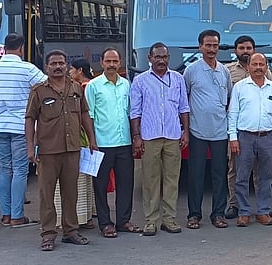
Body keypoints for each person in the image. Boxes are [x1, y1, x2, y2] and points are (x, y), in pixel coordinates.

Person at [25, 50, 98, 251]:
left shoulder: (76, 88)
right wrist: (30, 147)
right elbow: (30, 118)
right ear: (46, 68)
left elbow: (84, 114)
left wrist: (92, 139)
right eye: (53, 64)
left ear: (67, 66)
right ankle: (48, 234)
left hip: (72, 149)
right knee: (47, 195)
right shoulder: (39, 91)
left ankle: (71, 231)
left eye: (61, 63)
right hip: (48, 151)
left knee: (70, 192)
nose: (58, 67)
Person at [0, 33, 46, 228]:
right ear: (21, 49)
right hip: (20, 126)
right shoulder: (27, 68)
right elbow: (46, 86)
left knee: (4, 169)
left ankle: (6, 215)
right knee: (20, 170)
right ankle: (18, 215)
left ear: (4, 48)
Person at [131, 42, 191, 236]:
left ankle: (169, 219)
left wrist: (186, 132)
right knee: (150, 180)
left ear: (168, 59)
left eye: (164, 57)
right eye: (157, 57)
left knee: (172, 180)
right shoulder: (140, 81)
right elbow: (135, 111)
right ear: (150, 59)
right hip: (150, 137)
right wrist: (137, 136)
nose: (161, 61)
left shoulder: (178, 79)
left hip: (173, 136)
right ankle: (151, 220)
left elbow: (184, 107)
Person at [86, 47, 141, 237]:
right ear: (101, 63)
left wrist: (135, 137)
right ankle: (105, 223)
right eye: (108, 61)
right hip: (101, 144)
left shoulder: (127, 85)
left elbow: (132, 113)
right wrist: (91, 140)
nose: (111, 65)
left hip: (123, 142)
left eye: (114, 62)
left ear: (120, 63)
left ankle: (123, 221)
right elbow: (89, 116)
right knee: (100, 186)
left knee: (126, 183)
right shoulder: (93, 86)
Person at [228, 53, 272, 226]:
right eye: (255, 64)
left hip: (267, 137)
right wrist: (233, 138)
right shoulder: (240, 87)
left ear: (267, 67)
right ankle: (244, 212)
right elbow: (233, 113)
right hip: (245, 137)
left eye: (262, 64)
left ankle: (263, 211)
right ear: (249, 67)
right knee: (242, 176)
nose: (258, 67)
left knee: (266, 177)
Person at [184, 30, 231, 229]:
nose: (212, 49)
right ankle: (194, 215)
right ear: (200, 47)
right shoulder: (191, 71)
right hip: (197, 130)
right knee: (196, 174)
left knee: (220, 174)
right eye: (208, 45)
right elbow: (183, 100)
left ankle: (218, 214)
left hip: (220, 130)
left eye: (215, 45)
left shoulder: (224, 71)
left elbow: (228, 99)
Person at [224, 35, 272, 219]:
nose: (245, 51)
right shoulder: (228, 71)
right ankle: (235, 205)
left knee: (262, 172)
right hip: (239, 130)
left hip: (261, 132)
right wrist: (233, 135)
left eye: (249, 48)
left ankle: (263, 208)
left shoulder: (265, 73)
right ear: (235, 50)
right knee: (236, 170)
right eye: (241, 48)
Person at [53, 58, 97, 230]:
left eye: (71, 69)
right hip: (74, 140)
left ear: (79, 70)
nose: (69, 72)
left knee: (77, 181)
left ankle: (78, 218)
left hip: (78, 140)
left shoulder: (82, 88)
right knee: (80, 180)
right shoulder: (41, 91)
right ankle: (81, 217)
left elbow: (86, 116)